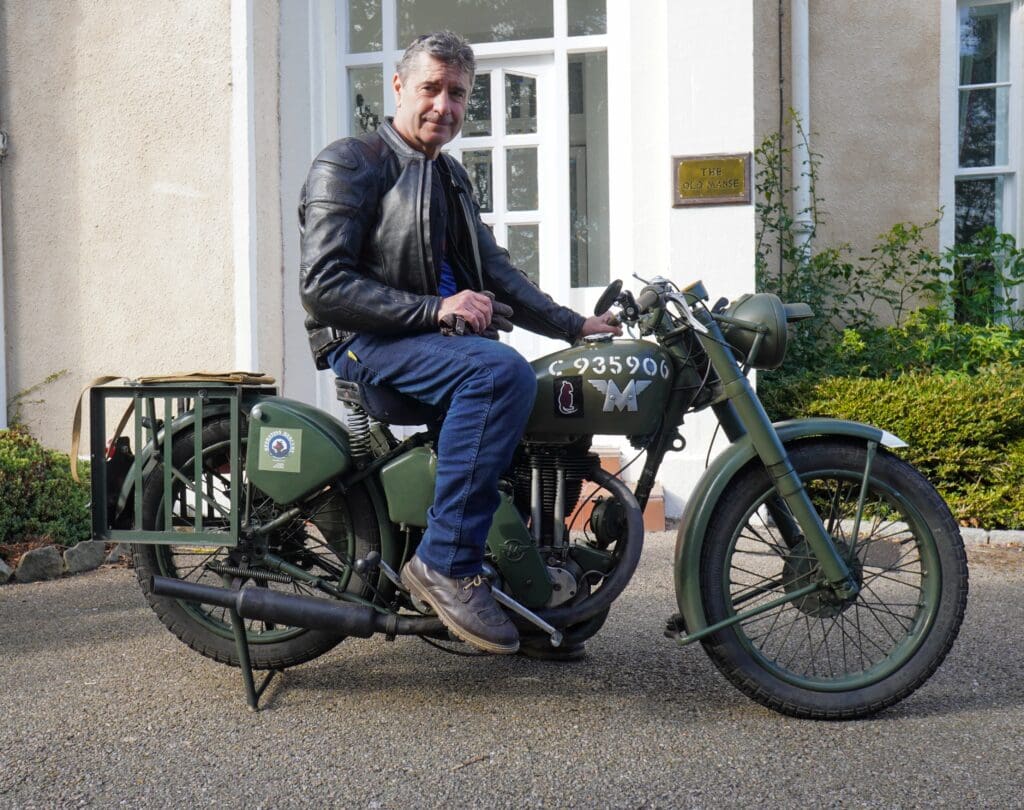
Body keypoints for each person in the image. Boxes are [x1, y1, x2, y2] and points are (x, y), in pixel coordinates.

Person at [298, 30, 619, 655]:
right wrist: (435, 309)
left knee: (553, 402)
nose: (443, 105)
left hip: (429, 342)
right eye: (430, 88)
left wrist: (573, 325)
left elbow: (495, 270)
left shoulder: (448, 177)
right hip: (370, 341)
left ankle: (528, 593)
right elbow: (323, 285)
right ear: (398, 87)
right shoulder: (352, 162)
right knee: (499, 376)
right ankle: (446, 561)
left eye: (457, 94)